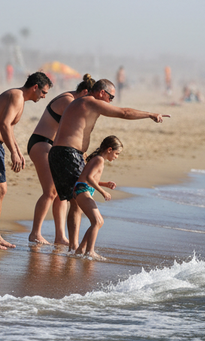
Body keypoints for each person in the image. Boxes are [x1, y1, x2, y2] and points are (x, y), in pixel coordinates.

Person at [48, 79, 169, 250]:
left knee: (75, 200)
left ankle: (75, 247)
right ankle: (79, 248)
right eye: (110, 97)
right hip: (67, 153)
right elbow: (124, 112)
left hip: (62, 153)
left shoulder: (80, 102)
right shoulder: (90, 101)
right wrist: (149, 114)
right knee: (79, 197)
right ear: (102, 93)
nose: (111, 102)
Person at [0, 72, 52, 249]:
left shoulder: (20, 99)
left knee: (0, 190)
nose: (44, 97)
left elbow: (9, 128)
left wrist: (18, 150)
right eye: (44, 92)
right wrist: (13, 152)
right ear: (35, 87)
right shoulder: (16, 95)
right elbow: (4, 124)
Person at [27, 74, 94, 245]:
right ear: (85, 91)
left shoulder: (75, 100)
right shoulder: (68, 101)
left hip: (54, 146)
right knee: (50, 192)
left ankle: (60, 236)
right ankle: (35, 233)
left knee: (61, 194)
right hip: (42, 143)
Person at [73, 135, 123, 260]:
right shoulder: (99, 159)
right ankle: (89, 251)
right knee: (96, 221)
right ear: (109, 149)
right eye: (117, 153)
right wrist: (103, 192)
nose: (116, 157)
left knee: (98, 222)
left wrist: (105, 184)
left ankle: (81, 249)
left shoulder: (98, 159)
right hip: (82, 189)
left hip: (83, 189)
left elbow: (91, 178)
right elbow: (89, 178)